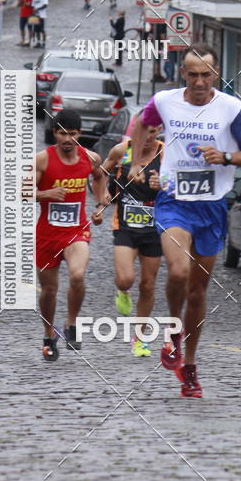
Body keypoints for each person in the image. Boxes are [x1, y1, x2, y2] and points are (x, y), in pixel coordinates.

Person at [128, 44, 241, 398]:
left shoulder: (232, 109)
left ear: (215, 74)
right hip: (174, 202)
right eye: (193, 74)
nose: (200, 81)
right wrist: (138, 161)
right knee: (178, 271)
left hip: (212, 207)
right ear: (182, 74)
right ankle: (173, 328)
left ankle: (189, 364)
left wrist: (226, 156)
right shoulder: (166, 101)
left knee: (198, 292)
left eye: (206, 74)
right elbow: (143, 123)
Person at [34, 108, 108, 361]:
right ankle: (47, 334)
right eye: (63, 134)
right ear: (54, 133)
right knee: (49, 291)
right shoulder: (42, 159)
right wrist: (45, 194)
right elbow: (22, 191)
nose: (68, 139)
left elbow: (99, 180)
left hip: (77, 231)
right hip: (47, 235)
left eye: (73, 134)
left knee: (77, 275)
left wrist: (100, 204)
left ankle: (71, 324)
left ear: (80, 133)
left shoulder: (91, 158)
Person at [102, 120, 164, 356]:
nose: (148, 136)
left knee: (148, 284)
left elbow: (177, 184)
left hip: (153, 227)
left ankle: (139, 338)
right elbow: (101, 174)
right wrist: (105, 194)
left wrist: (164, 184)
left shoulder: (165, 153)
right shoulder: (122, 150)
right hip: (125, 224)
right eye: (143, 131)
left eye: (153, 131)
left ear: (158, 132)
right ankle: (123, 290)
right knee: (126, 278)